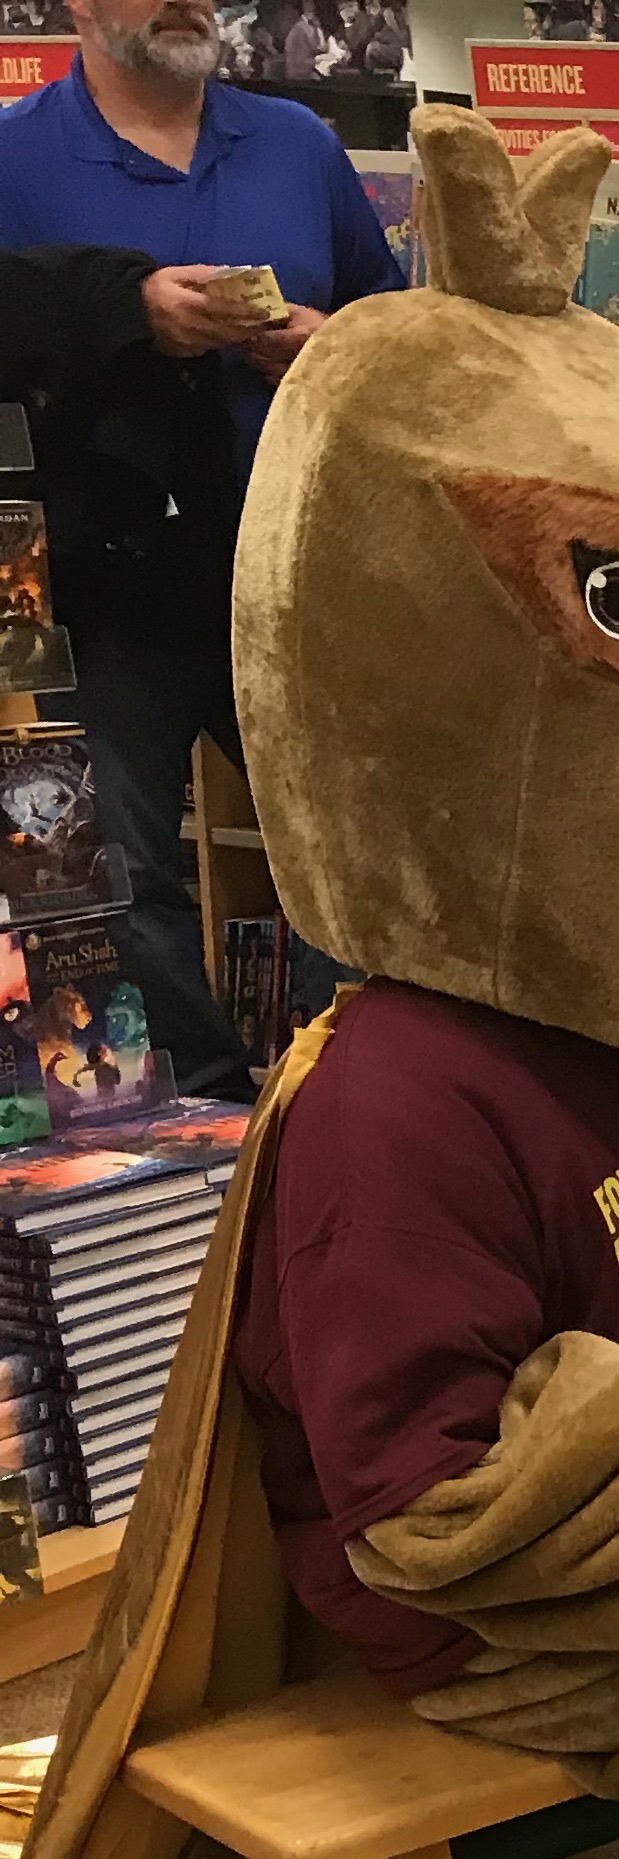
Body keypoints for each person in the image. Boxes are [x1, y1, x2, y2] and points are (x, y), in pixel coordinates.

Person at [0, 0, 400, 1095]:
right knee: (95, 885)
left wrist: (338, 347)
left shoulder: (299, 146)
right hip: (88, 593)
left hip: (297, 572)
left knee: (364, 851)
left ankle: (349, 1107)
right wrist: (125, 314)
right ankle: (191, 1137)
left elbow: (397, 325)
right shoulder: (12, 152)